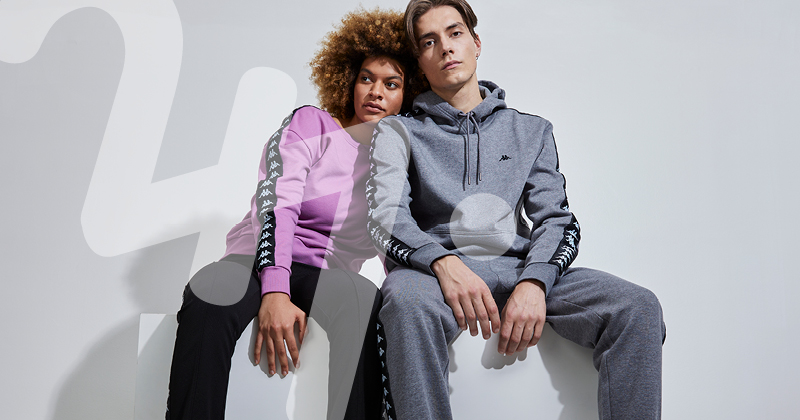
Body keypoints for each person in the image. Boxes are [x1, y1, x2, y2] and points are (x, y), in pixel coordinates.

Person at [367, 0, 667, 419]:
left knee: (638, 307)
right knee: (403, 301)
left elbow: (556, 220)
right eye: (429, 42)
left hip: (518, 267)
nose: (446, 48)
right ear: (420, 60)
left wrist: (535, 282)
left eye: (455, 33)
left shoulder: (531, 130)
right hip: (434, 278)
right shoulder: (398, 131)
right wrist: (444, 264)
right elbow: (386, 217)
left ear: (476, 42)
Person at [165, 8, 422, 420]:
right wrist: (276, 291)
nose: (376, 91)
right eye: (366, 78)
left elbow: (396, 239)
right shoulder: (313, 124)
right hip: (256, 258)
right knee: (209, 294)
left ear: (408, 97)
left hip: (325, 274)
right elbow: (277, 204)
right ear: (349, 80)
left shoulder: (395, 164)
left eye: (391, 84)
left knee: (364, 300)